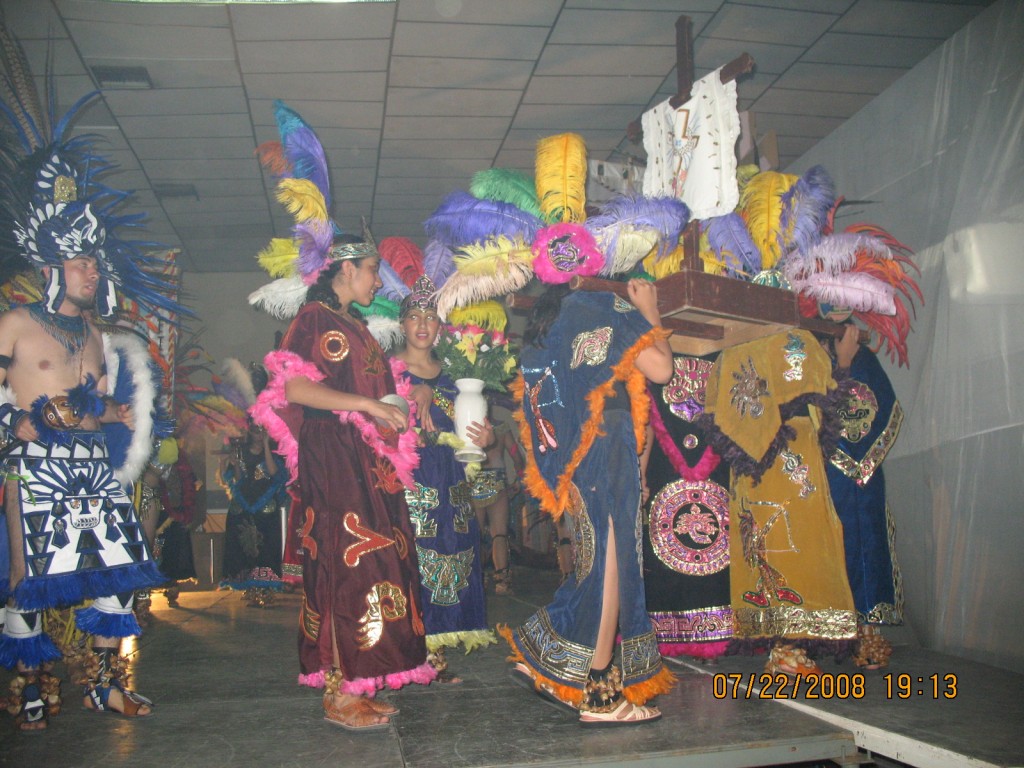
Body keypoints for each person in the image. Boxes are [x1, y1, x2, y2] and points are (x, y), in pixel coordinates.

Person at [252, 235, 435, 731]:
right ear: (346, 269)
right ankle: (337, 692)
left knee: (373, 568)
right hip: (333, 456)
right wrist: (367, 405)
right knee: (339, 565)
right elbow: (295, 388)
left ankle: (360, 679)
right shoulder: (314, 319)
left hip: (366, 461)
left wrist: (401, 393)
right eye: (373, 269)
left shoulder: (355, 324)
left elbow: (367, 386)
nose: (378, 280)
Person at [502, 277, 676, 726]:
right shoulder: (602, 307)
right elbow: (661, 369)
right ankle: (597, 691)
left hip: (577, 453)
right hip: (608, 442)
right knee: (611, 565)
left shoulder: (547, 322)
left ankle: (558, 666)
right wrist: (648, 310)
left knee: (598, 562)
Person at [0, 254, 164, 730]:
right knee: (27, 581)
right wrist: (16, 422)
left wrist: (122, 414)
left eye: (97, 267)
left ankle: (102, 684)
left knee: (123, 574)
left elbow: (97, 404)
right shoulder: (13, 323)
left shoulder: (94, 334)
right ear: (50, 268)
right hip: (36, 467)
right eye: (81, 265)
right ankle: (31, 688)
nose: (93, 275)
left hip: (92, 467)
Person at [698, 326, 860, 674]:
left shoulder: (736, 342)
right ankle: (786, 647)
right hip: (790, 448)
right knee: (796, 545)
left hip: (755, 458)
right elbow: (825, 395)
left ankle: (785, 645)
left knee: (774, 546)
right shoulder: (796, 339)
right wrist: (842, 363)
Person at [392, 276, 496, 683]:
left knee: (453, 561)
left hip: (451, 483)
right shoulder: (387, 371)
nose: (422, 324)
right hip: (409, 480)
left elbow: (479, 430)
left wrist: (487, 437)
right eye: (414, 316)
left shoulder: (458, 375)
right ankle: (405, 653)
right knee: (407, 565)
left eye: (431, 317)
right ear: (402, 324)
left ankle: (433, 654)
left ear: (441, 327)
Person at [641, 352, 733, 662]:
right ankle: (667, 629)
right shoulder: (651, 347)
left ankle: (718, 628)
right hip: (664, 468)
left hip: (715, 462)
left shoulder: (729, 348)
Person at [218, 420, 287, 607]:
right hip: (244, 504)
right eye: (256, 430)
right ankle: (250, 587)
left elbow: (273, 472)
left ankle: (266, 588)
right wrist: (235, 462)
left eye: (263, 431)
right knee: (244, 546)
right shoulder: (242, 451)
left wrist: (266, 445)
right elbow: (239, 479)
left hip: (266, 506)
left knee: (266, 546)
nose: (259, 433)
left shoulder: (274, 454)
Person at [470, 411, 525, 595]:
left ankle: (478, 579)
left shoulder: (468, 427)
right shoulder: (500, 428)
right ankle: (502, 581)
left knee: (475, 534)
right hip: (496, 481)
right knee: (499, 533)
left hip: (474, 481)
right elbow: (516, 457)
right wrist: (518, 480)